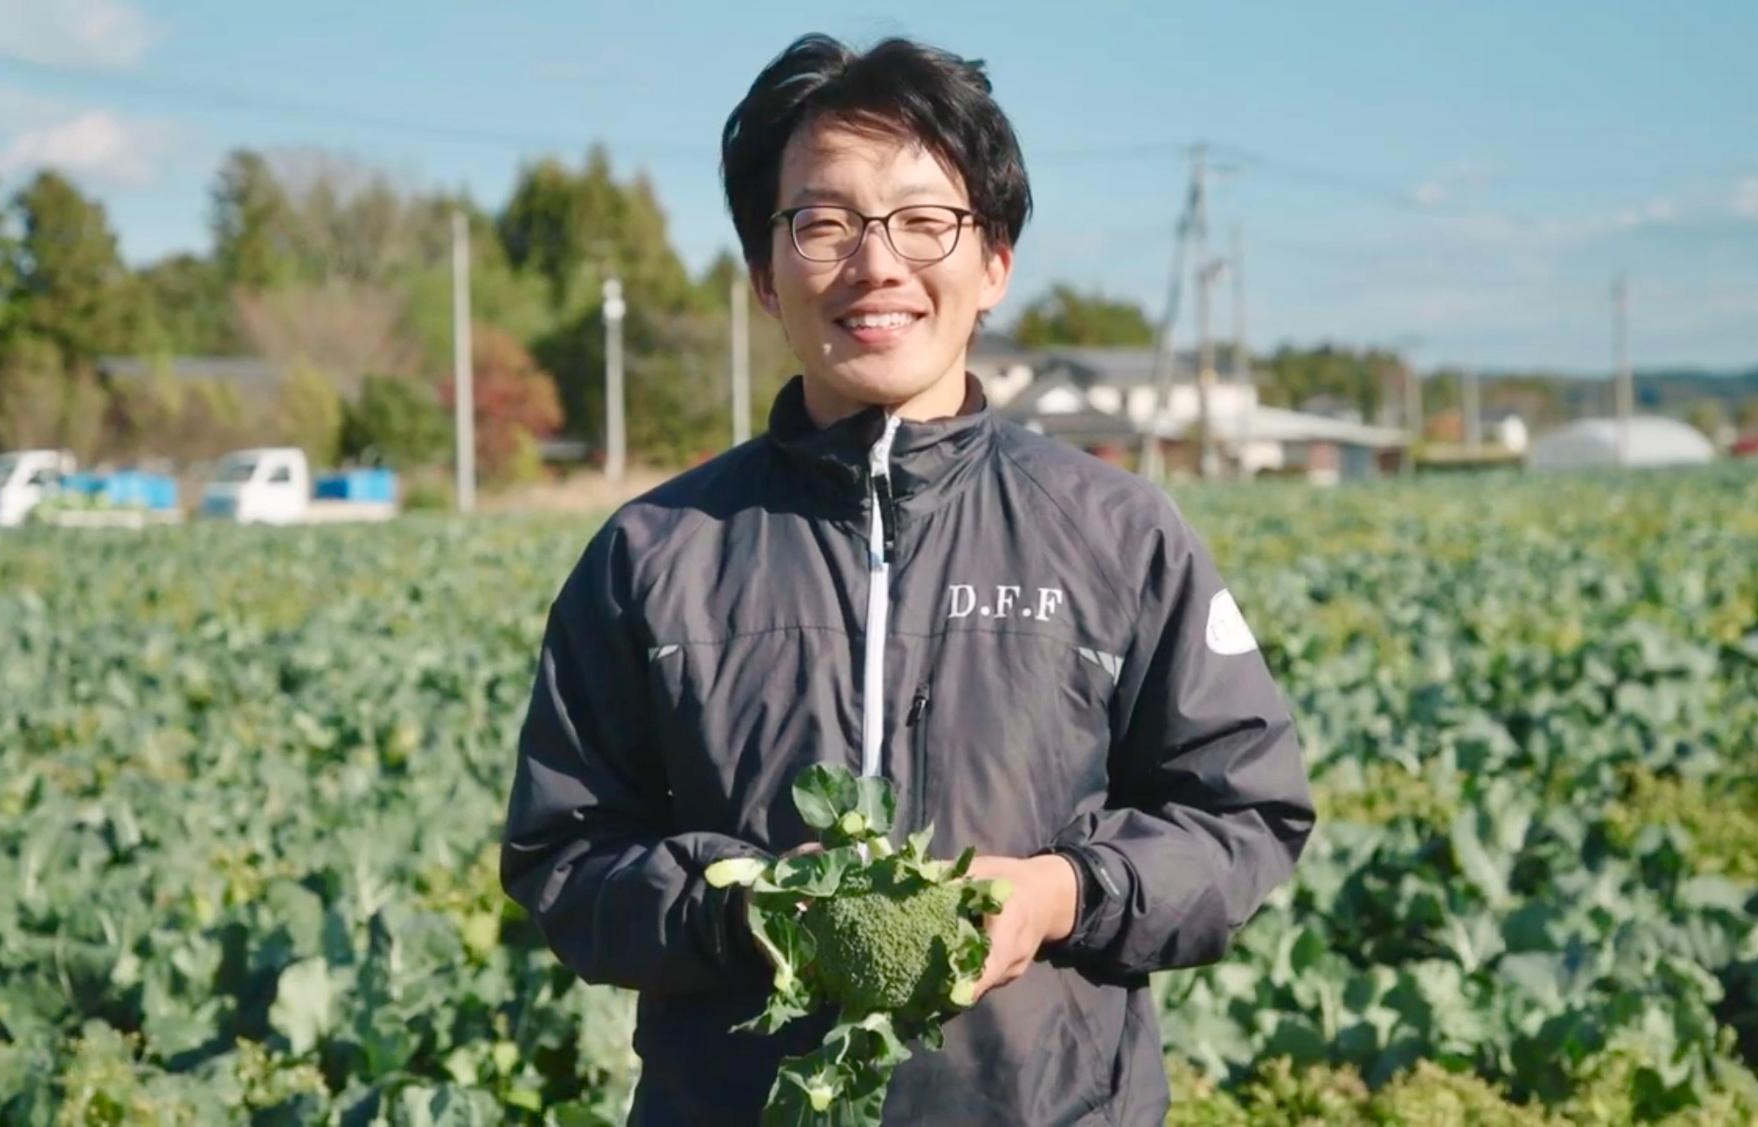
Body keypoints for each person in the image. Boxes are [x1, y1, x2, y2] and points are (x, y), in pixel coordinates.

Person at [501, 32, 1314, 1126]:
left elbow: (1242, 813)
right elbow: (563, 851)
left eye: (925, 221)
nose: (876, 264)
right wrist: (747, 906)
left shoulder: (1115, 532)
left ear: (993, 262)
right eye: (822, 222)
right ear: (763, 271)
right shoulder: (654, 551)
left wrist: (1061, 891)